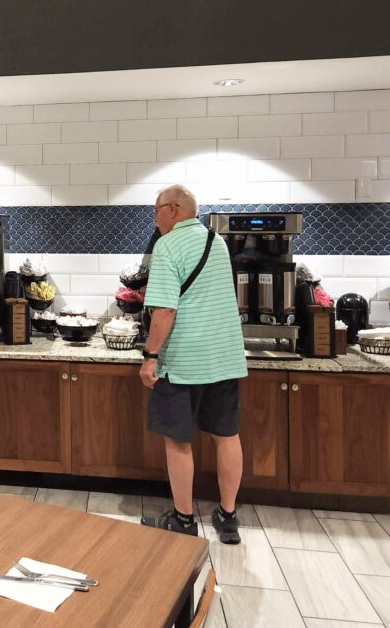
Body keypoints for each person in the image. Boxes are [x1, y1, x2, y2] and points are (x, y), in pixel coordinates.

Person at [139, 185, 246, 544]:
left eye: (156, 210)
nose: (154, 218)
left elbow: (165, 310)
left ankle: (183, 520)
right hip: (224, 356)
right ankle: (228, 517)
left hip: (184, 358)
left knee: (178, 440)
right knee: (226, 436)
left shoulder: (167, 245)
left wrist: (151, 356)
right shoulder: (217, 242)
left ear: (172, 209)